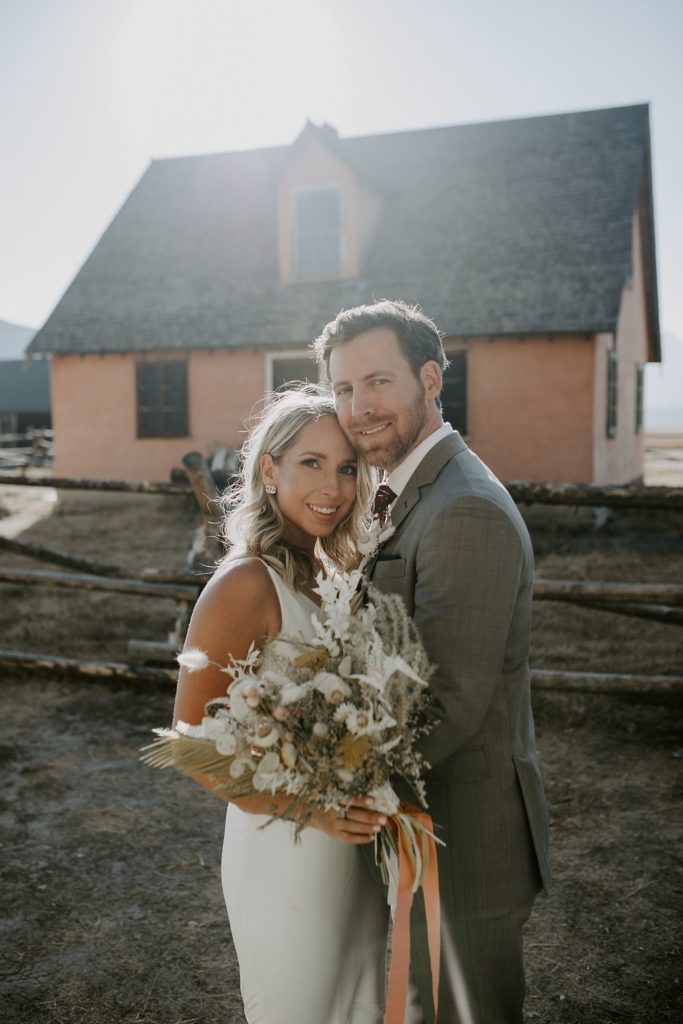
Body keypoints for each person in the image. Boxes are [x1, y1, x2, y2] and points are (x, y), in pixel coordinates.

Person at [314, 300, 552, 1024]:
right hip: (419, 823)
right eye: (344, 390)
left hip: (462, 834)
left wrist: (321, 780)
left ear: (429, 377)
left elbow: (445, 700)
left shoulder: (462, 509)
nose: (359, 408)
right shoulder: (402, 492)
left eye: (377, 382)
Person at [173, 387, 390, 1024]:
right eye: (312, 464)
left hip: (354, 845)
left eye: (348, 467)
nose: (335, 486)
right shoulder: (244, 583)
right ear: (269, 470)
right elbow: (189, 741)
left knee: (358, 1006)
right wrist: (312, 812)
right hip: (287, 848)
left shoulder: (336, 570)